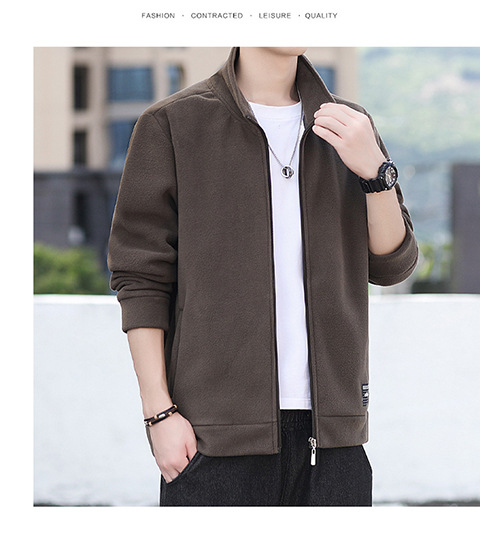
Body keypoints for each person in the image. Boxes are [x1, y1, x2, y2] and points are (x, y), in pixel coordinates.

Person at [107, 46, 418, 506]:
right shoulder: (173, 124)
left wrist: (376, 172)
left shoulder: (349, 126)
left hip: (334, 441)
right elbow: (141, 278)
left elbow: (393, 264)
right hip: (213, 440)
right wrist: (159, 415)